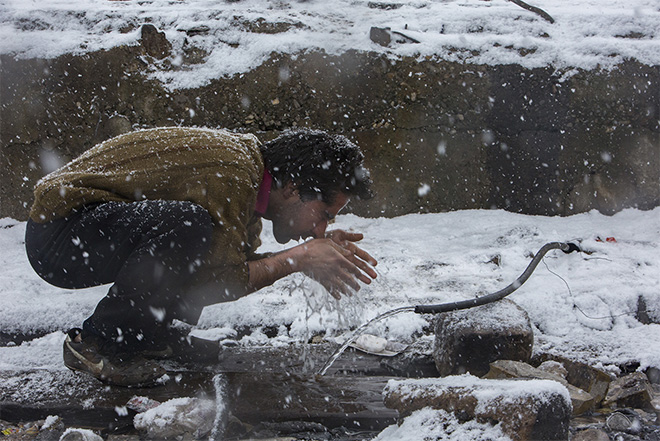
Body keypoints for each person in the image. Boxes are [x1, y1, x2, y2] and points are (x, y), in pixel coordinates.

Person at [25, 127, 377, 387]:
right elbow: (222, 278)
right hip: (59, 233)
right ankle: (102, 343)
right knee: (189, 225)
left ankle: (155, 336)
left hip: (85, 229)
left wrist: (302, 259)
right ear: (293, 188)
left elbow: (227, 269)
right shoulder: (234, 173)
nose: (321, 229)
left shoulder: (250, 184)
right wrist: (299, 258)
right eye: (325, 214)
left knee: (198, 237)